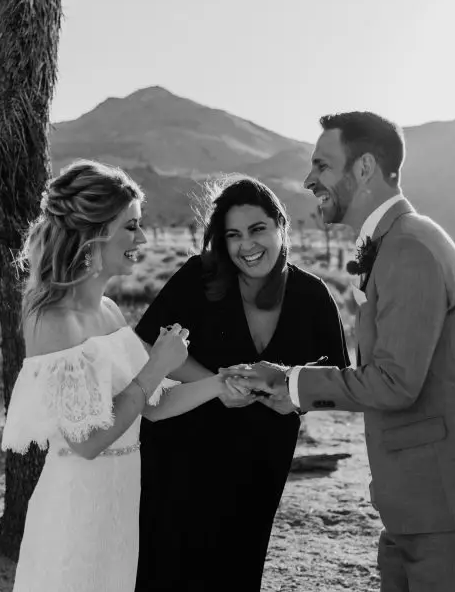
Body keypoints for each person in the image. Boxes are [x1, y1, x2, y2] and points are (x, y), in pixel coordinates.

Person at [226, 112, 455, 592]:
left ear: (365, 167)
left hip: (451, 501)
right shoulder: (394, 243)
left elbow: (395, 381)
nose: (309, 180)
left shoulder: (410, 248)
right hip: (421, 495)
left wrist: (293, 383)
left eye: (322, 166)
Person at [0, 160, 251, 592]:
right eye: (131, 227)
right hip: (76, 506)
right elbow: (87, 440)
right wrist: (156, 366)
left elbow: (150, 406)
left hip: (120, 497)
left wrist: (218, 385)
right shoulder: (51, 321)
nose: (143, 238)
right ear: (95, 232)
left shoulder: (109, 311)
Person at [134, 175, 351, 592]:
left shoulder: (313, 296)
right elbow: (148, 344)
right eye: (233, 235)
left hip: (260, 457)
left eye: (258, 230)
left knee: (238, 564)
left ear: (281, 226)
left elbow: (338, 380)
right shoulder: (198, 277)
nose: (247, 246)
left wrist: (294, 399)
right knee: (166, 565)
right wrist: (219, 383)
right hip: (181, 449)